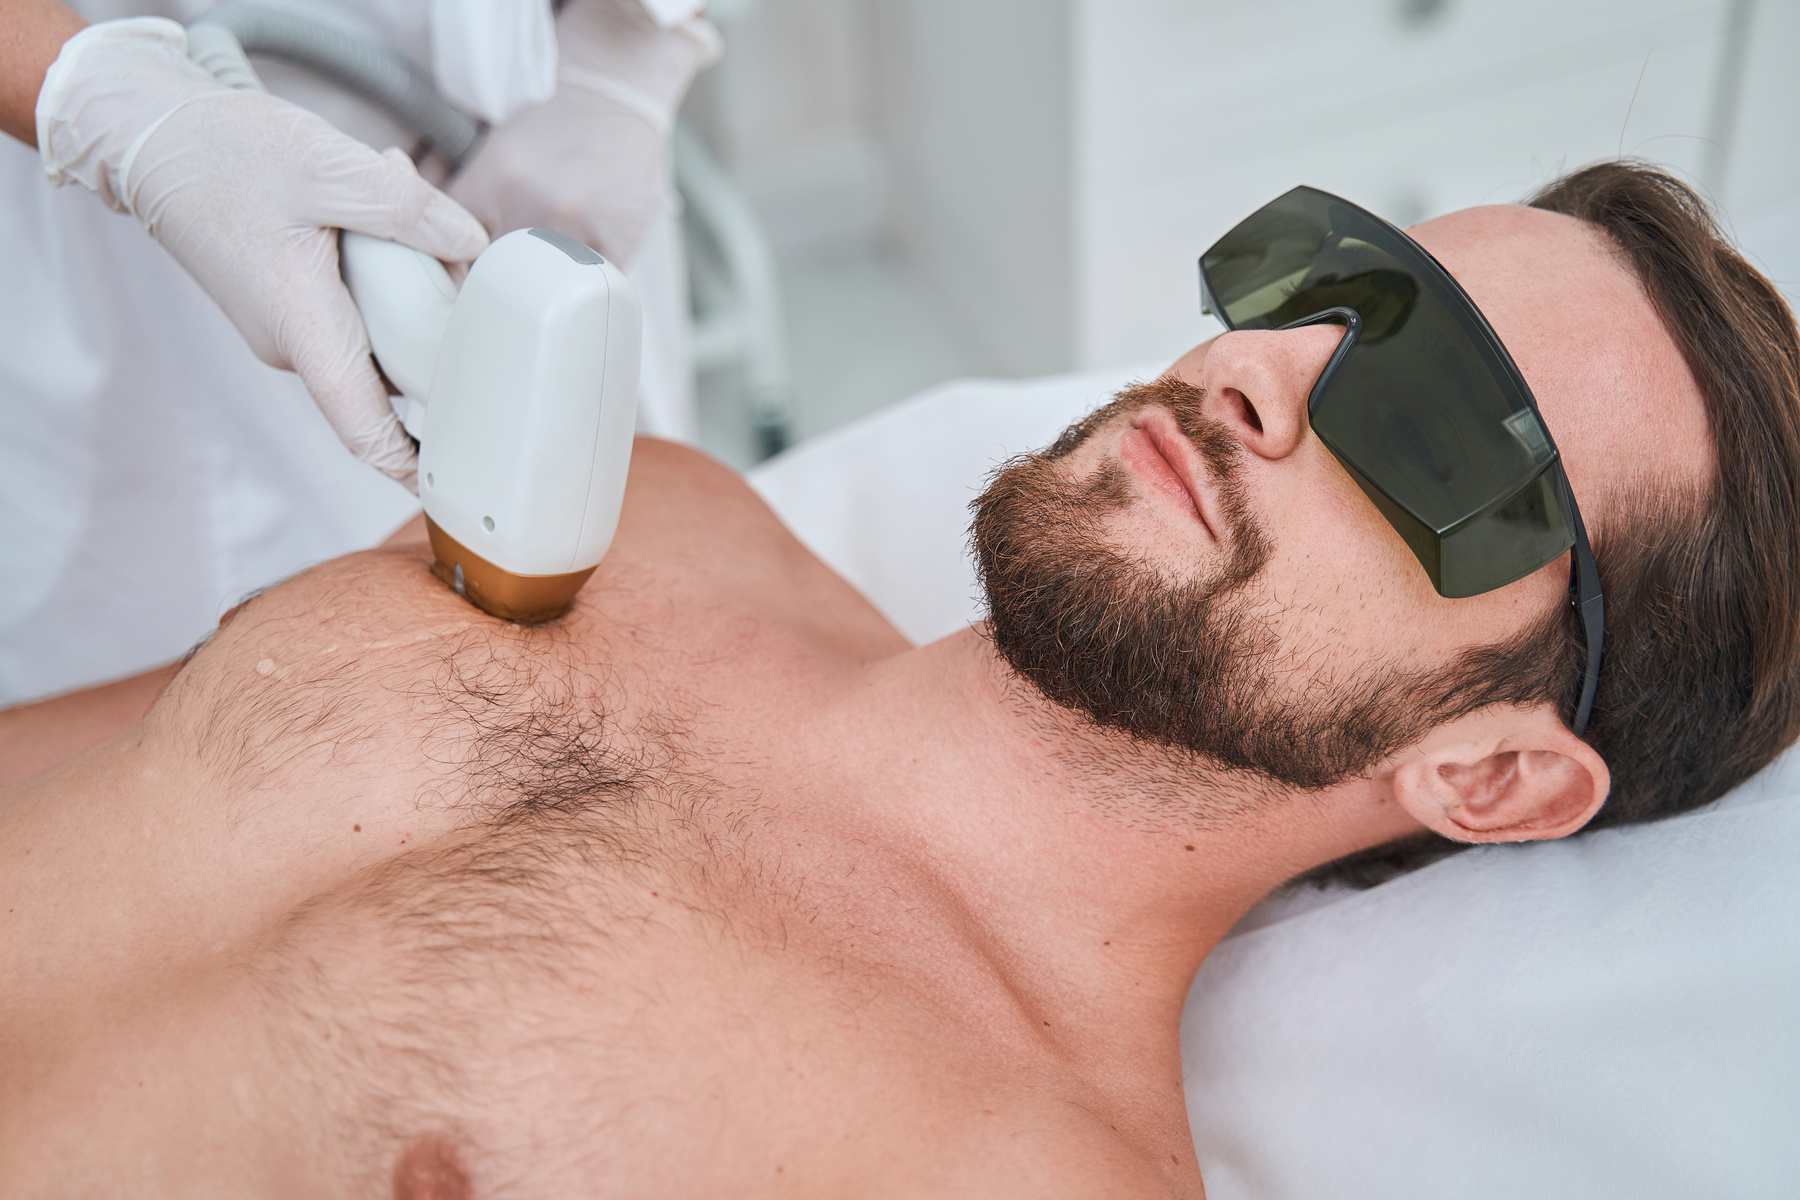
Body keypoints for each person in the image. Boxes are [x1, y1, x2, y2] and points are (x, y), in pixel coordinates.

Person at [3, 163, 1797, 1194]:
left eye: (1432, 424)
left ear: (1488, 777)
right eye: (1340, 285)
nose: (1268, 369)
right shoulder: (652, 523)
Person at [0, 0, 717, 709]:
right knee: (160, 705)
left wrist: (627, 41)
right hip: (154, 169)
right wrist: (101, 101)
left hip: (561, 133)